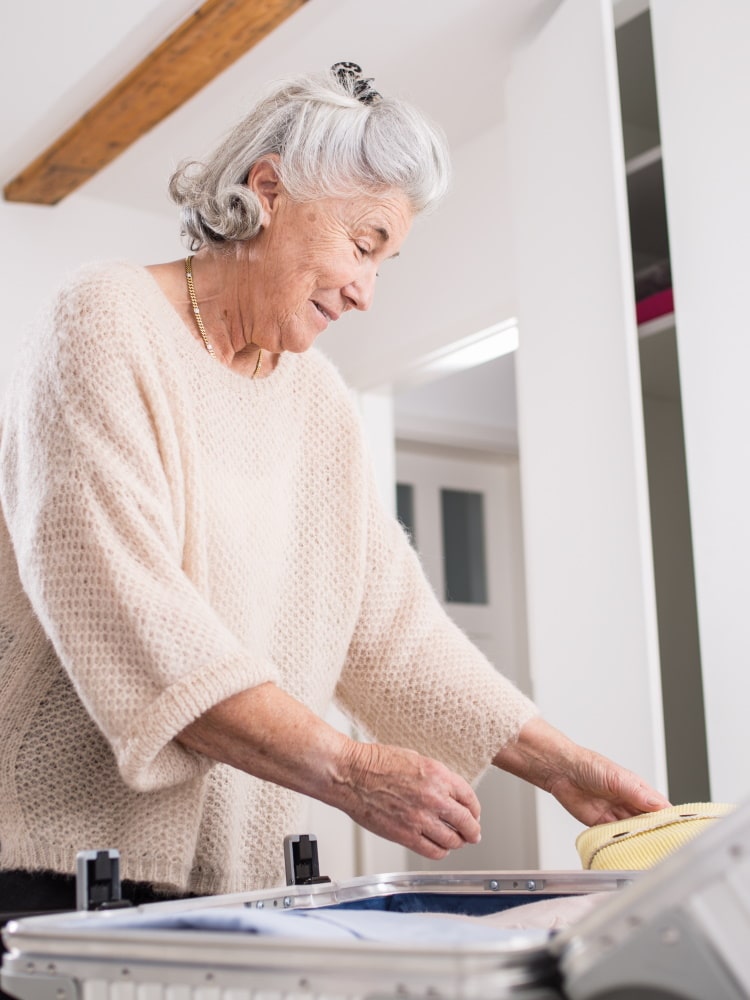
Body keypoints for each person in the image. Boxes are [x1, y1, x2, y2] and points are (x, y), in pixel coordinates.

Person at [0, 63, 669, 910]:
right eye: (363, 245)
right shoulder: (102, 321)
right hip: (60, 869)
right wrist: (347, 771)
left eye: (385, 261)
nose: (366, 292)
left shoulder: (318, 400)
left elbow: (390, 629)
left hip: (246, 882)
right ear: (269, 189)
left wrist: (562, 764)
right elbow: (121, 608)